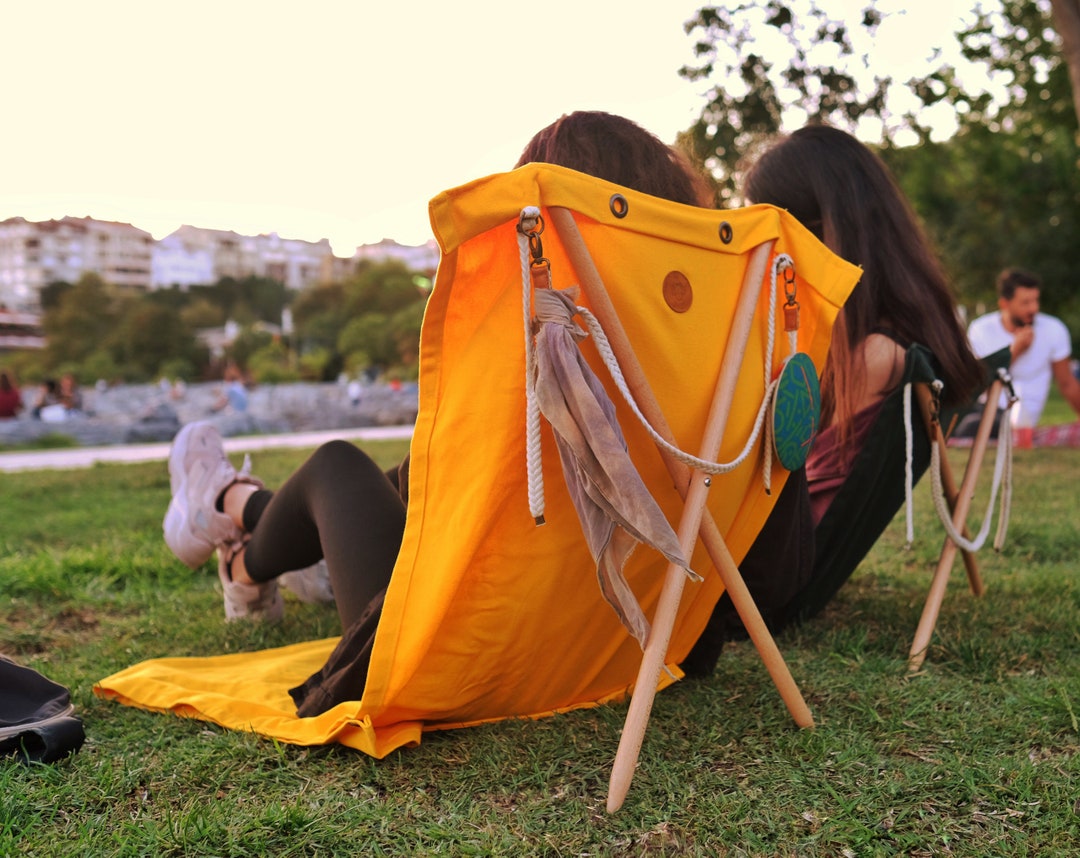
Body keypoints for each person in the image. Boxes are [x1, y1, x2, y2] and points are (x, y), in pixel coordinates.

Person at [162, 111, 729, 713]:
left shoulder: (543, 333)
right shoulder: (705, 351)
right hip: (628, 644)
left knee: (338, 467)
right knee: (413, 476)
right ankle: (259, 523)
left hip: (456, 665)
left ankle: (237, 539)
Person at [681, 125, 986, 674]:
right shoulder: (893, 337)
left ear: (817, 231)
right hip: (777, 566)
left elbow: (796, 494)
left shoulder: (873, 355)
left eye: (773, 228)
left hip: (765, 585)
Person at [967, 268, 1080, 443]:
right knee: (969, 423)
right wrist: (1014, 351)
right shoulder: (980, 329)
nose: (1034, 308)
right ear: (1004, 304)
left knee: (973, 427)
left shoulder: (1053, 329)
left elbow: (1067, 383)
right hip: (987, 409)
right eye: (1025, 303)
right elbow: (978, 384)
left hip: (1020, 418)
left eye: (1035, 300)